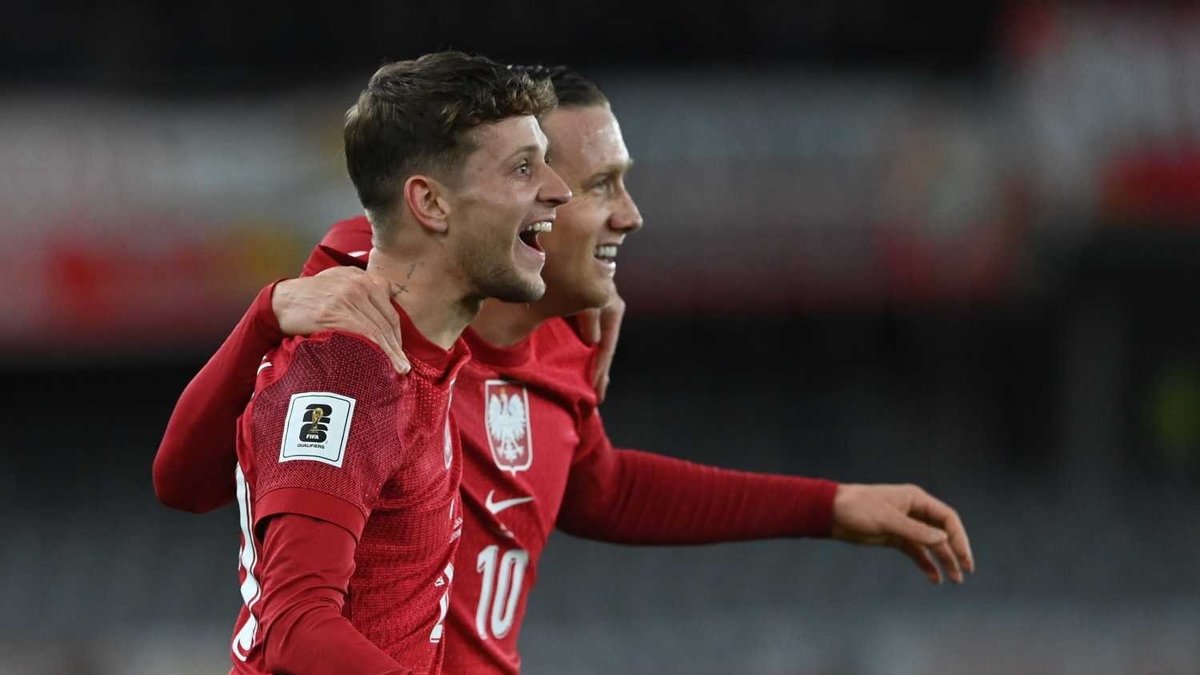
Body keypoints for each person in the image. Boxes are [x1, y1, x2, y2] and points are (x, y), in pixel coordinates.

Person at [155, 66, 973, 674]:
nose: (629, 214)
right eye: (597, 185)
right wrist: (269, 310)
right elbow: (258, 568)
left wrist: (829, 505)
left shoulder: (552, 343)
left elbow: (601, 488)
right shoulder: (361, 322)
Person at [216, 52, 569, 674]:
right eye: (522, 168)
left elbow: (178, 480)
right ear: (430, 204)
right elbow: (296, 629)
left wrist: (263, 315)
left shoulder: (415, 348)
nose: (557, 188)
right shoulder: (351, 373)